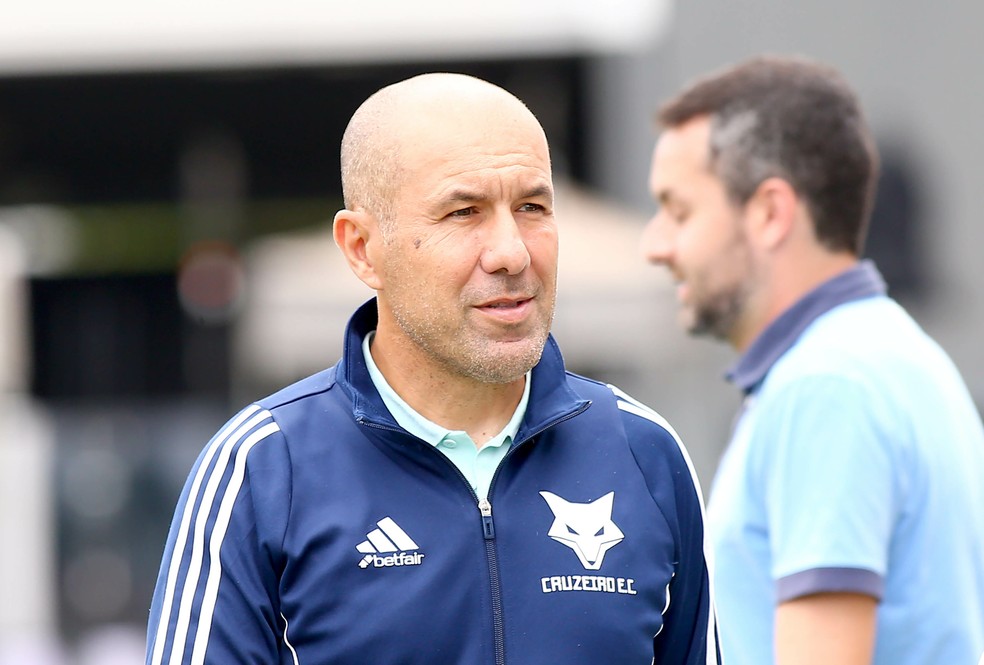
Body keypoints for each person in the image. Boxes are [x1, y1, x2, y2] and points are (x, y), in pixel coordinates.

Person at [146, 72, 719, 664]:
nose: (512, 253)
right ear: (362, 249)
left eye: (532, 207)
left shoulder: (644, 452)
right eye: (463, 212)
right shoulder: (262, 469)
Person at [643, 55, 984, 665]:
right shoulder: (890, 355)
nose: (656, 244)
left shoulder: (828, 385)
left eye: (680, 210)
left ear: (770, 212)